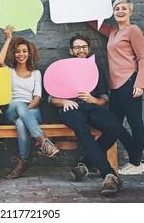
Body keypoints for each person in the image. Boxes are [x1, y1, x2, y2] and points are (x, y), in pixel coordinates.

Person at [49, 34, 126, 196]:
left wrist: (93, 100)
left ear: (88, 50)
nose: (81, 50)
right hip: (70, 106)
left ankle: (85, 165)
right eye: (77, 47)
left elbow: (104, 99)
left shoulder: (95, 69)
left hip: (91, 106)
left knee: (116, 128)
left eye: (84, 47)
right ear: (71, 50)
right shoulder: (62, 68)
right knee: (81, 128)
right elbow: (50, 98)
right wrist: (63, 102)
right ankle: (109, 175)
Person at [87, 0, 144, 175]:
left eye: (123, 8)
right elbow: (92, 22)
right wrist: (79, 1)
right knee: (115, 125)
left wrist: (141, 84)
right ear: (112, 13)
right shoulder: (113, 31)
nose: (120, 11)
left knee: (135, 123)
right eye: (116, 9)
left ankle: (135, 164)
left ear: (130, 11)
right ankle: (137, 159)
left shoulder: (133, 30)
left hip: (130, 82)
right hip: (116, 86)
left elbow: (142, 57)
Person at [0, 26, 59, 179]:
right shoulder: (10, 71)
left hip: (31, 109)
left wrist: (24, 113)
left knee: (21, 122)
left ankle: (23, 161)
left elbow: (37, 98)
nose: (21, 54)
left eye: (24, 51)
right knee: (18, 105)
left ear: (29, 53)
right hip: (12, 109)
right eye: (18, 51)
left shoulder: (36, 73)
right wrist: (9, 39)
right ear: (13, 53)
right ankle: (43, 141)